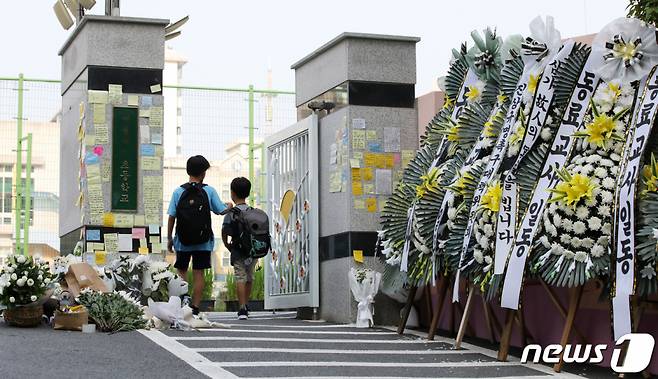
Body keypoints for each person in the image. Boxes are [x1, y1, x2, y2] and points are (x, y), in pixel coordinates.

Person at [167, 155, 232, 315]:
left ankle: (182, 302)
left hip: (182, 241)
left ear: (188, 171)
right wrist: (229, 206)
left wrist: (169, 238)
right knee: (199, 273)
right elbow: (220, 210)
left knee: (181, 271)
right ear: (203, 173)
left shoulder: (178, 191)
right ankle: (194, 307)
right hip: (203, 241)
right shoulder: (208, 191)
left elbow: (171, 216)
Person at [222, 177, 257, 320]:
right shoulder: (252, 211)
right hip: (252, 251)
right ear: (247, 193)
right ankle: (246, 304)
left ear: (232, 193)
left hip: (237, 250)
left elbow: (224, 230)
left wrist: (226, 244)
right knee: (249, 277)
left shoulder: (231, 212)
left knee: (240, 277)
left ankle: (242, 309)